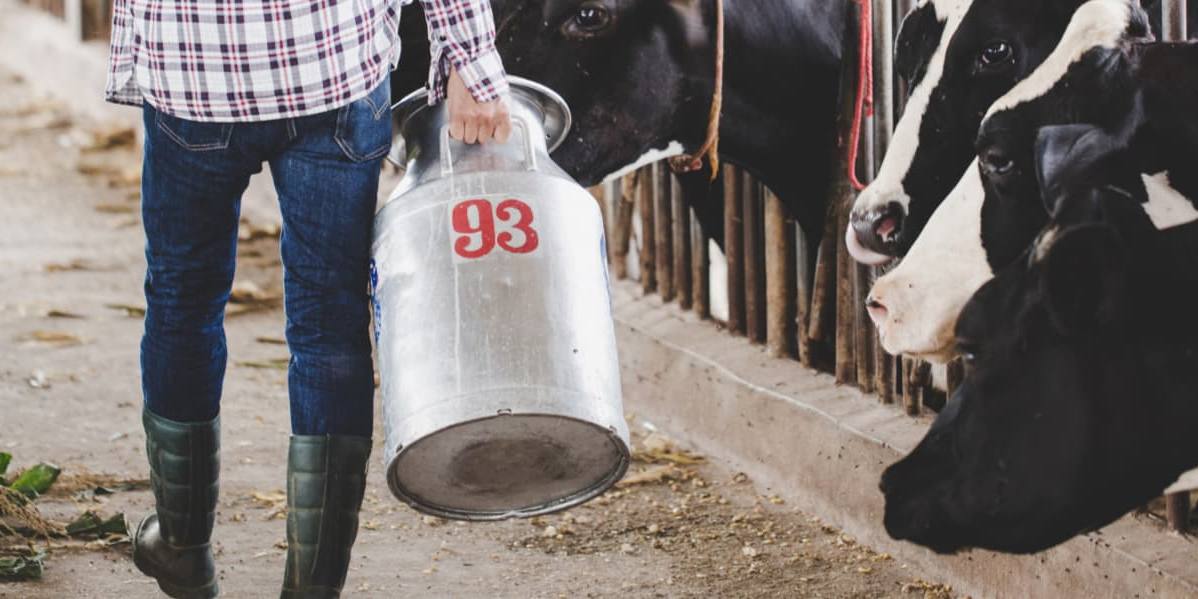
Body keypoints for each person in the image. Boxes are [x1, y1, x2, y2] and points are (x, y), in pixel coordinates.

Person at [104, 0, 511, 596]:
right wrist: (470, 58)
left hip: (193, 74)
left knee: (181, 303)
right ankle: (312, 589)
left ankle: (182, 548)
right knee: (330, 325)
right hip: (332, 67)